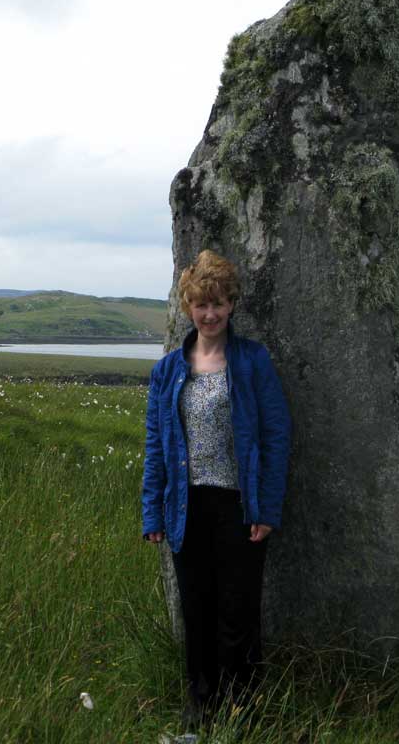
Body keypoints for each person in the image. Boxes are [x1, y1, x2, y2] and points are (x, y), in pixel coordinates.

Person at [141, 249, 291, 729]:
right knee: (197, 609)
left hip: (239, 506)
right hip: (186, 507)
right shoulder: (167, 371)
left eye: (218, 304)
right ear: (188, 307)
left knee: (238, 613)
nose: (209, 314)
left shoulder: (251, 361)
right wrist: (152, 514)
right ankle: (198, 710)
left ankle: (242, 713)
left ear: (232, 306)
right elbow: (156, 446)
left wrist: (265, 508)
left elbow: (275, 434)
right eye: (200, 304)